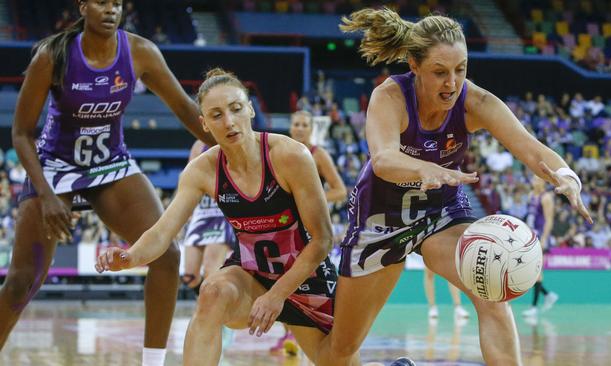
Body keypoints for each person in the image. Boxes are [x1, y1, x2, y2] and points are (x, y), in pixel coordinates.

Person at [310, 8, 592, 366]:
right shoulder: (391, 97)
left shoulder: (475, 102)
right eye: (440, 72)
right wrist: (423, 168)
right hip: (379, 222)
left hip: (440, 215)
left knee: (490, 290)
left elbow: (529, 147)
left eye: (461, 70)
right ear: (414, 65)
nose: (452, 83)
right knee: (339, 351)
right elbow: (383, 159)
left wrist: (566, 175)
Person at [0, 2, 214, 366]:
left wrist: (235, 148)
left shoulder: (140, 51)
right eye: (101, 1)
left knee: (166, 254)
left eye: (117, 2)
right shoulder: (53, 55)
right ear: (83, 6)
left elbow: (184, 107)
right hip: (56, 165)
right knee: (23, 280)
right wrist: (48, 195)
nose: (111, 9)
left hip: (110, 163)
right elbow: (21, 132)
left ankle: (152, 362)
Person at [95, 68, 354, 366]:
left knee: (338, 362)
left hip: (308, 278)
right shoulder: (202, 169)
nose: (229, 121)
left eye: (235, 109)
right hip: (253, 275)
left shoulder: (290, 155)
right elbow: (162, 232)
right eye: (216, 115)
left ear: (250, 109)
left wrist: (277, 296)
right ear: (204, 124)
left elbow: (322, 240)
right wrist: (130, 257)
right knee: (212, 293)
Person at [268, 109, 349, 355]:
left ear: (312, 128)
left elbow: (340, 190)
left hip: (312, 228)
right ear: (291, 127)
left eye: (305, 124)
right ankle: (288, 335)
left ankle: (322, 334)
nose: (300, 128)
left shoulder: (318, 154)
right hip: (286, 226)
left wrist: (312, 199)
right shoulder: (280, 151)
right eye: (297, 124)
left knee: (309, 280)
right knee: (282, 278)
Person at [181, 140, 235, 294]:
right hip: (202, 209)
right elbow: (189, 177)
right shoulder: (198, 144)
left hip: (222, 210)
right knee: (189, 276)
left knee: (211, 272)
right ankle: (212, 301)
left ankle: (211, 312)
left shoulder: (232, 138)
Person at [522, 176, 559, 318]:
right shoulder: (531, 195)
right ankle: (548, 295)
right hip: (530, 236)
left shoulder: (546, 198)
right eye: (533, 179)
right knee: (528, 271)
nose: (534, 181)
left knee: (536, 271)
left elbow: (549, 220)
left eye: (537, 179)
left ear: (544, 182)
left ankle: (534, 307)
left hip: (540, 237)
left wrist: (544, 239)